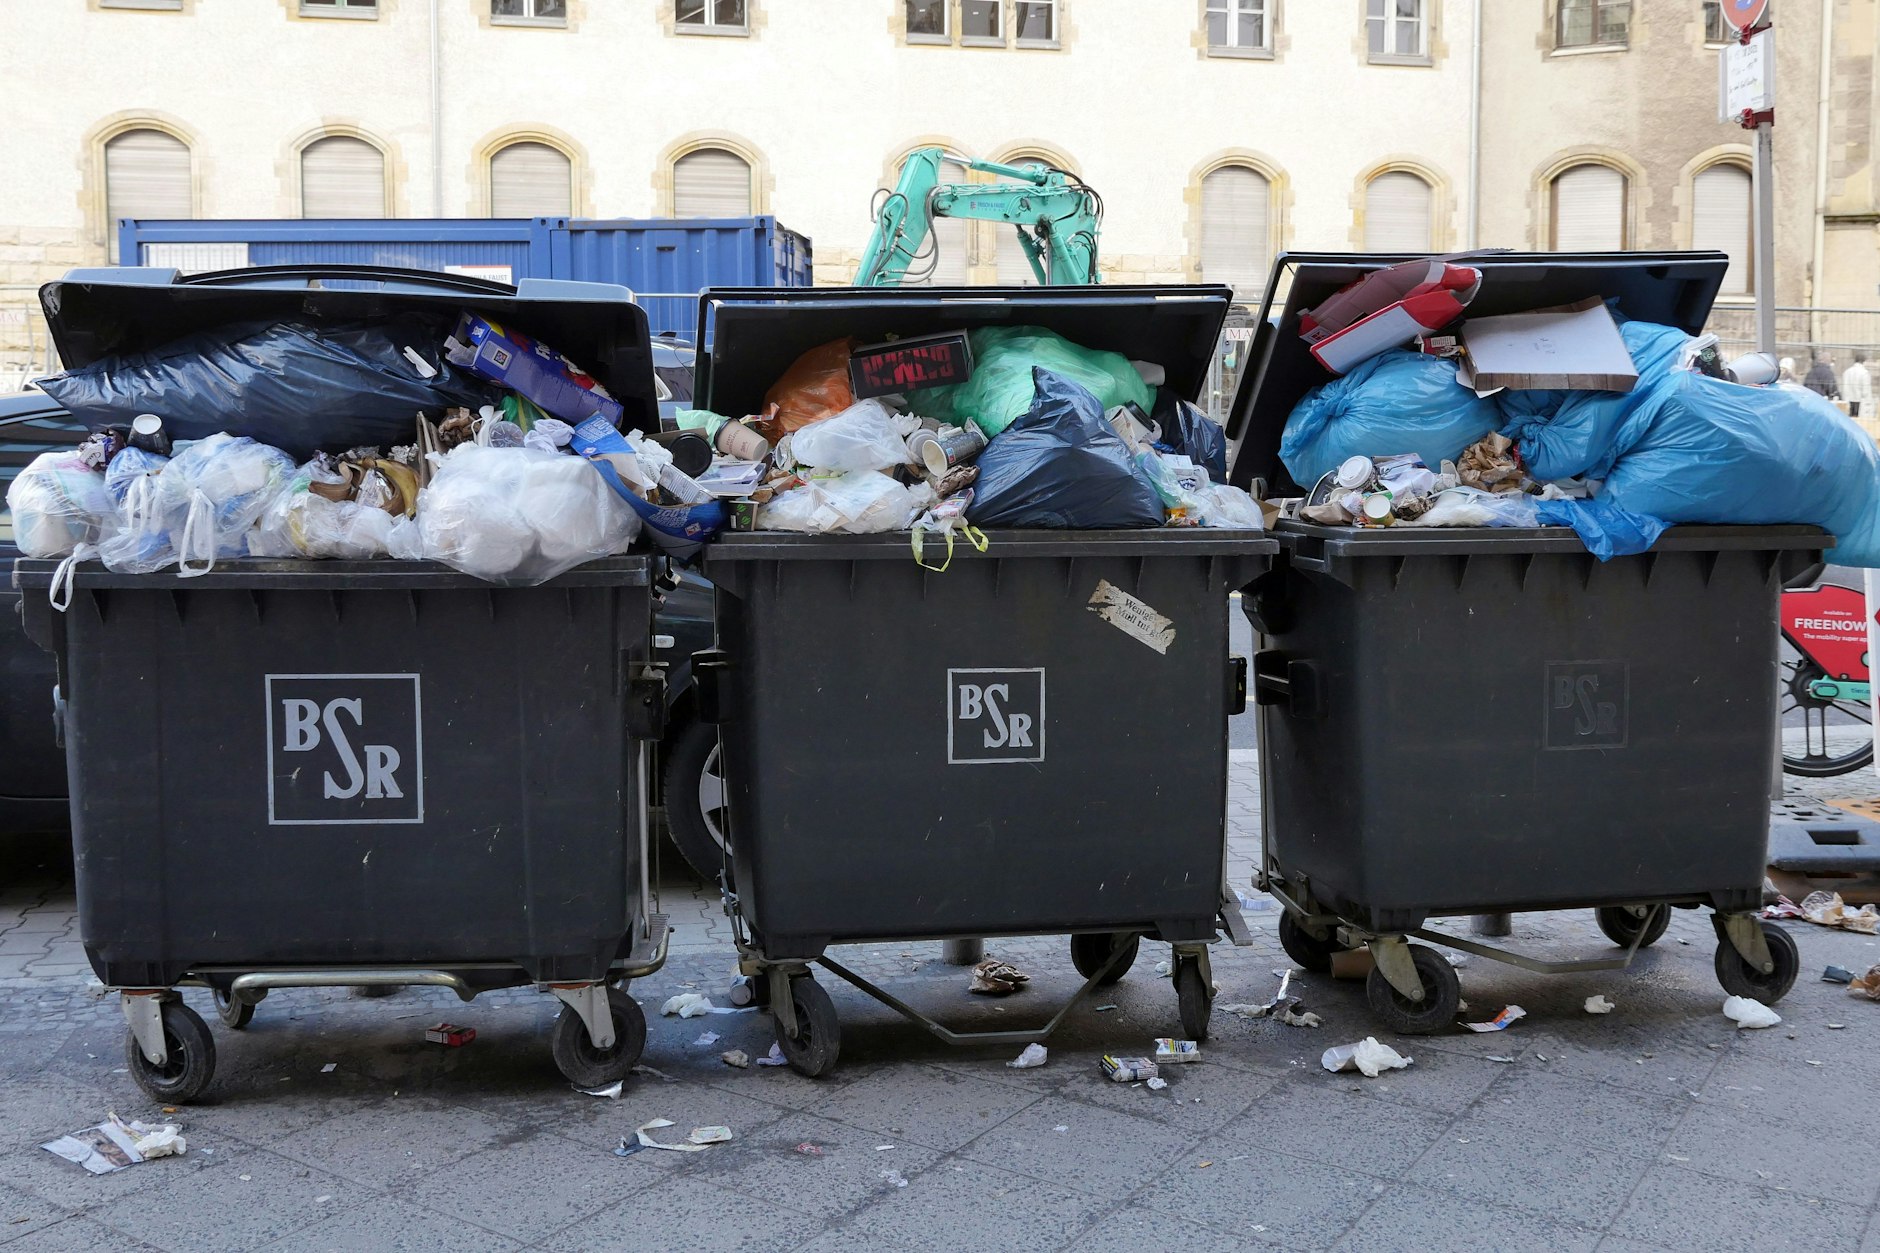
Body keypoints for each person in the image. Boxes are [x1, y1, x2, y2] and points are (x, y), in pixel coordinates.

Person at [1844, 352, 1872, 418]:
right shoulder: (1864, 373)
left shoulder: (1847, 372)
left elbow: (1845, 387)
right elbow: (1865, 391)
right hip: (1860, 402)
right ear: (1863, 361)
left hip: (1848, 401)